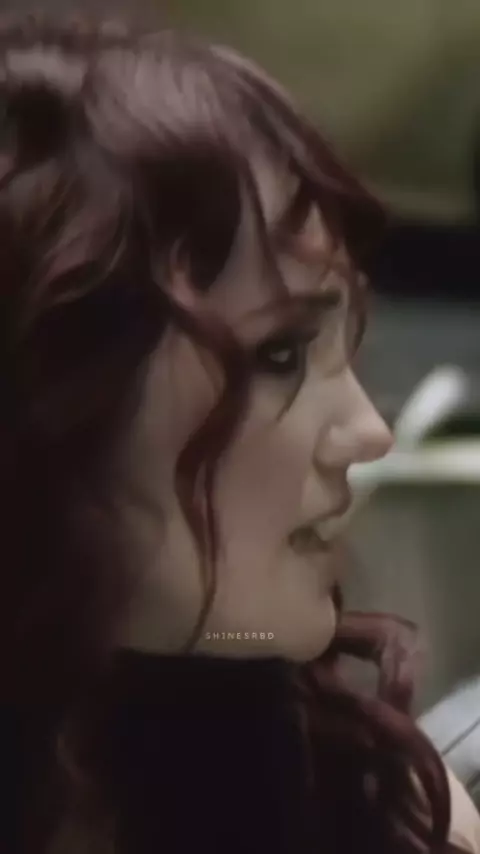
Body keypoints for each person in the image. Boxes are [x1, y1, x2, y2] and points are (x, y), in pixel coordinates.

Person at [0, 14, 478, 854]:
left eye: (340, 343)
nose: (368, 431)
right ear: (47, 401)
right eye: (279, 354)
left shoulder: (361, 793)